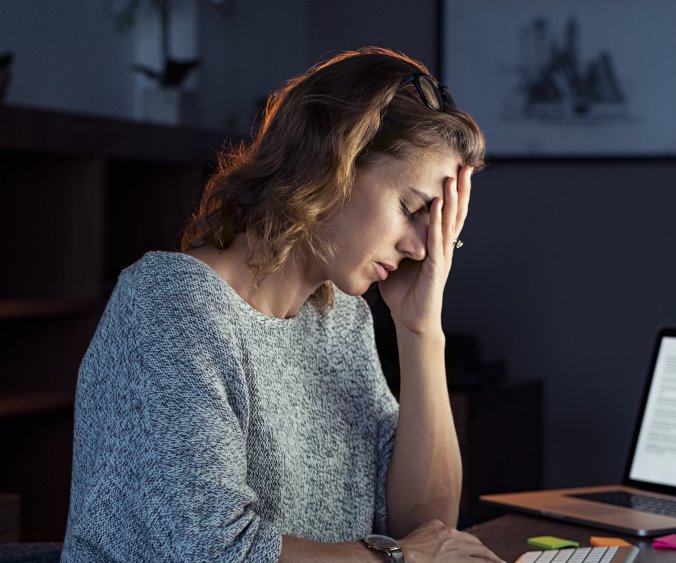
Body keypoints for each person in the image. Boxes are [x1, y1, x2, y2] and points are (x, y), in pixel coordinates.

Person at [61, 47, 503, 562]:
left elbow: (424, 526)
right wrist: (397, 558)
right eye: (412, 208)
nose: (423, 248)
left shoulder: (340, 319)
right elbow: (216, 550)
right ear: (332, 160)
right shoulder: (169, 306)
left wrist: (420, 329)